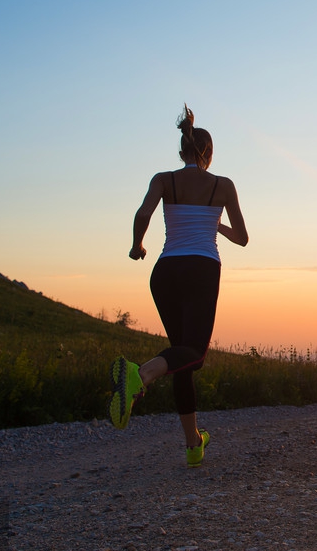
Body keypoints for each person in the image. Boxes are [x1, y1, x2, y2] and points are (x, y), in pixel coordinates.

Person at [110, 105, 248, 468]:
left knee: (181, 355)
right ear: (210, 154)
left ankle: (192, 444)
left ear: (181, 151)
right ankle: (139, 374)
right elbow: (243, 238)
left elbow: (143, 214)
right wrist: (214, 225)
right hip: (201, 269)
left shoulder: (163, 179)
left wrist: (137, 245)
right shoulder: (223, 186)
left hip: (165, 271)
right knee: (195, 354)